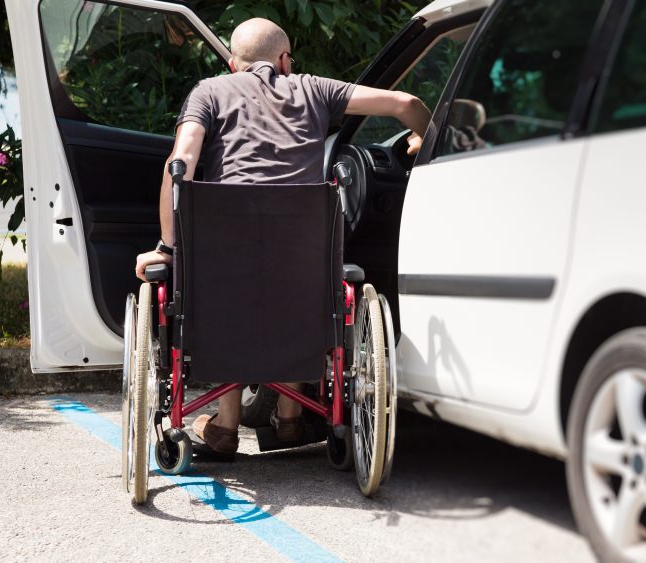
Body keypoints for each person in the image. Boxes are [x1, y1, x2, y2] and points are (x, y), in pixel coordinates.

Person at [134, 18, 431, 457]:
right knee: (301, 284)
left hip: (223, 260)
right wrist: (423, 136)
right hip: (302, 259)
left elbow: (180, 161)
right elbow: (406, 101)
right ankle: (291, 417)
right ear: (285, 60)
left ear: (233, 64)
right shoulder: (314, 88)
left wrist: (167, 247)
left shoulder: (209, 91)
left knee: (225, 287)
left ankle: (225, 427)